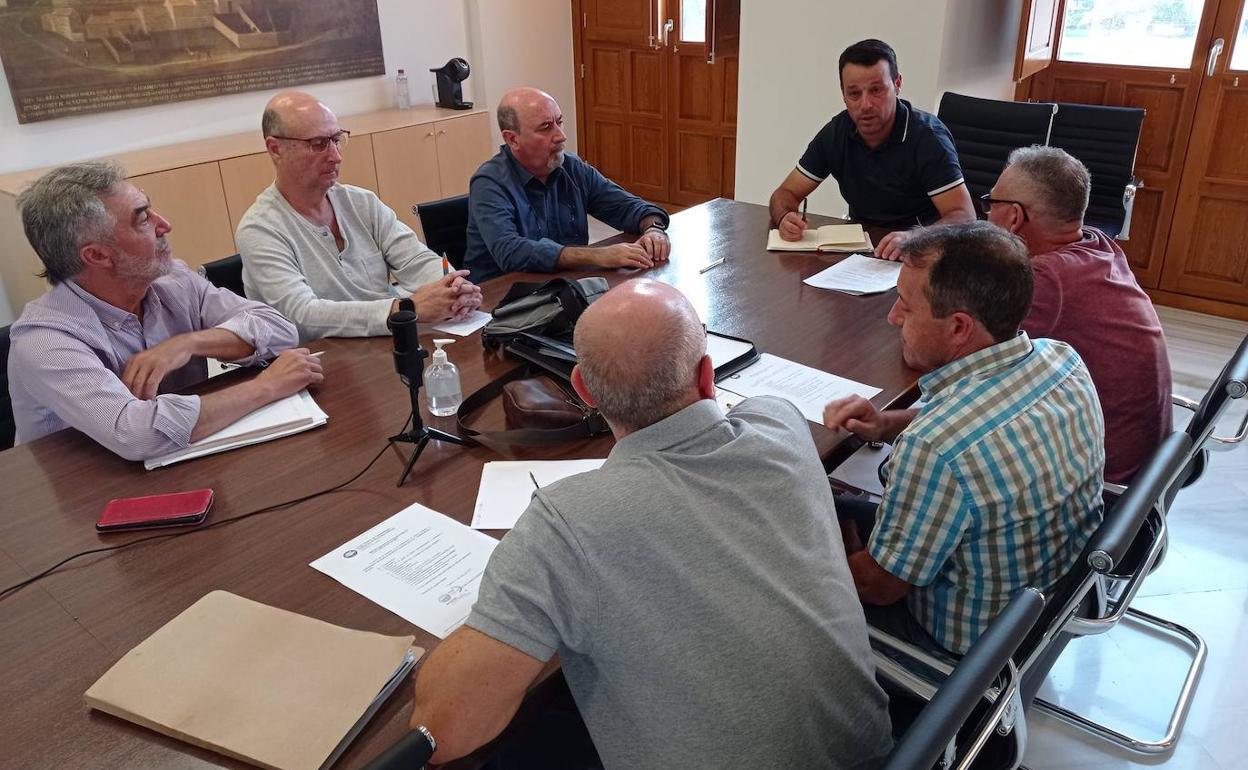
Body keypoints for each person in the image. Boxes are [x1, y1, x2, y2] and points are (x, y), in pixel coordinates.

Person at [408, 280, 893, 768]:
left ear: (584, 390)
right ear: (708, 377)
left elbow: (444, 735)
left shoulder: (566, 526)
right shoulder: (782, 425)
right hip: (884, 752)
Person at [823, 222, 1104, 655]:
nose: (892, 317)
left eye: (905, 305)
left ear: (958, 328)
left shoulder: (935, 449)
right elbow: (978, 414)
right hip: (1048, 603)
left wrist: (811, 557)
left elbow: (878, 588)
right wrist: (885, 424)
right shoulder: (1061, 359)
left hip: (960, 650)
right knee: (826, 509)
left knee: (779, 541)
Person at [8, 161, 321, 461]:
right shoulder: (43, 342)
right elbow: (138, 434)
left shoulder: (172, 280)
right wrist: (266, 386)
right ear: (98, 255)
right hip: (81, 498)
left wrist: (188, 343)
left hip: (185, 461)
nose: (164, 225)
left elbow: (280, 330)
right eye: (142, 219)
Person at [985, 146, 1172, 484]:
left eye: (990, 204)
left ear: (1013, 216)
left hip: (1100, 484)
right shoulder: (1098, 245)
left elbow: (962, 360)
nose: (986, 216)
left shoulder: (1045, 278)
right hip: (1144, 476)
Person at [236, 91, 482, 342]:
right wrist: (406, 309)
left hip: (387, 342)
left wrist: (452, 290)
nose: (336, 156)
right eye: (318, 144)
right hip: (323, 361)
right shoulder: (260, 230)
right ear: (275, 149)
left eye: (337, 139)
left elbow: (414, 259)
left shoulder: (361, 202)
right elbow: (303, 315)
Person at [769, 39, 976, 260]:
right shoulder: (837, 132)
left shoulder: (928, 138)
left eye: (876, 90)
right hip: (861, 255)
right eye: (854, 94)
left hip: (919, 256)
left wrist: (915, 238)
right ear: (843, 95)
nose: (865, 104)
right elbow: (784, 194)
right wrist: (785, 216)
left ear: (897, 84)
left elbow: (964, 217)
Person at [463, 87, 672, 283]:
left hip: (561, 289)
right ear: (512, 139)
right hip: (499, 300)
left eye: (559, 122)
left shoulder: (572, 168)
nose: (561, 136)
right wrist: (599, 255)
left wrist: (654, 229)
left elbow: (628, 207)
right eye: (545, 127)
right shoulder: (489, 183)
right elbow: (511, 252)